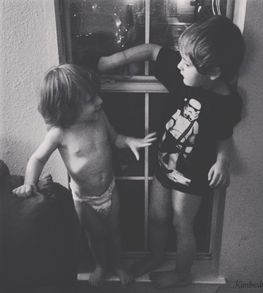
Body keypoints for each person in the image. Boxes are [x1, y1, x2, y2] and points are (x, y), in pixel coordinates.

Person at [97, 15, 245, 288]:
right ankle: (155, 257)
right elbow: (152, 50)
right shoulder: (182, 78)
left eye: (186, 63)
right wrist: (111, 61)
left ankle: (181, 272)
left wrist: (223, 161)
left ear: (213, 72)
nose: (179, 65)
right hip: (164, 164)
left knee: (181, 224)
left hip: (192, 176)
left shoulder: (227, 103)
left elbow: (225, 136)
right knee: (156, 216)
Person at [12, 64, 156, 287]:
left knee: (116, 231)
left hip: (110, 189)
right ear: (67, 108)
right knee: (96, 237)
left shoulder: (100, 118)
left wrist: (129, 141)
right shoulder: (59, 134)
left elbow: (115, 138)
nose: (100, 101)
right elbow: (37, 159)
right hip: (85, 199)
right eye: (90, 99)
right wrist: (29, 183)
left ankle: (118, 264)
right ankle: (101, 265)